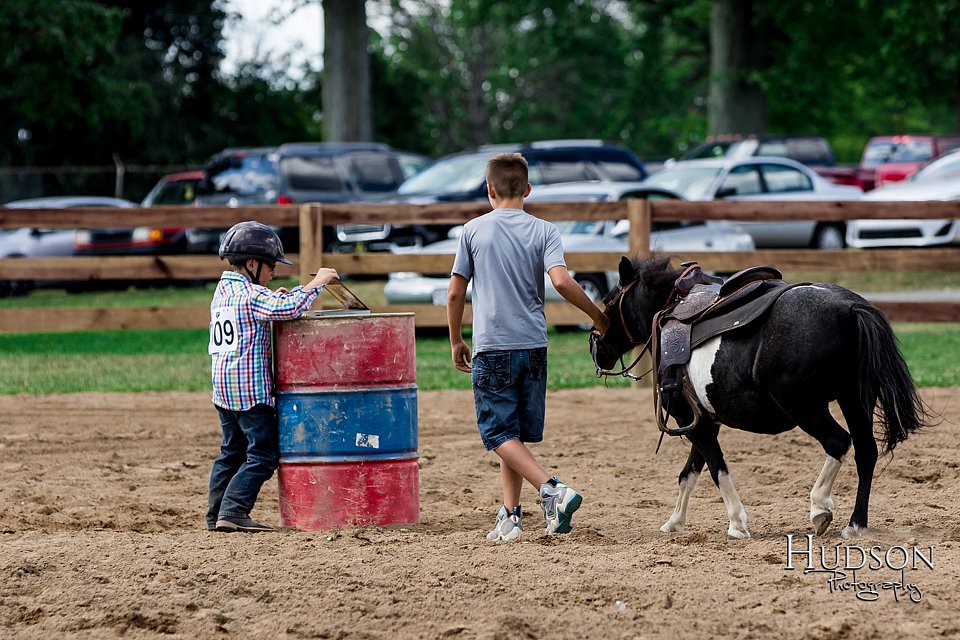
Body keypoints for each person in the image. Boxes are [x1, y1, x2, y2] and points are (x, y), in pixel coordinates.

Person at [447, 153, 610, 542]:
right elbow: (563, 282)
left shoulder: (472, 231)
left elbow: (455, 293)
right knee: (513, 434)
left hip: (493, 347)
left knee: (497, 432)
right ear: (528, 189)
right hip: (534, 346)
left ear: (489, 190)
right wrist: (599, 317)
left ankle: (552, 490)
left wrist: (456, 339)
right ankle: (510, 515)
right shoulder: (545, 231)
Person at [206, 221, 338, 532]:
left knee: (231, 452)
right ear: (252, 264)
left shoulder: (225, 292)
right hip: (251, 393)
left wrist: (274, 294)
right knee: (263, 456)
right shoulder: (251, 296)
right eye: (270, 266)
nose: (273, 272)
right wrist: (318, 281)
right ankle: (234, 510)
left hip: (224, 391)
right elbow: (289, 308)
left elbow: (268, 304)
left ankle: (215, 515)